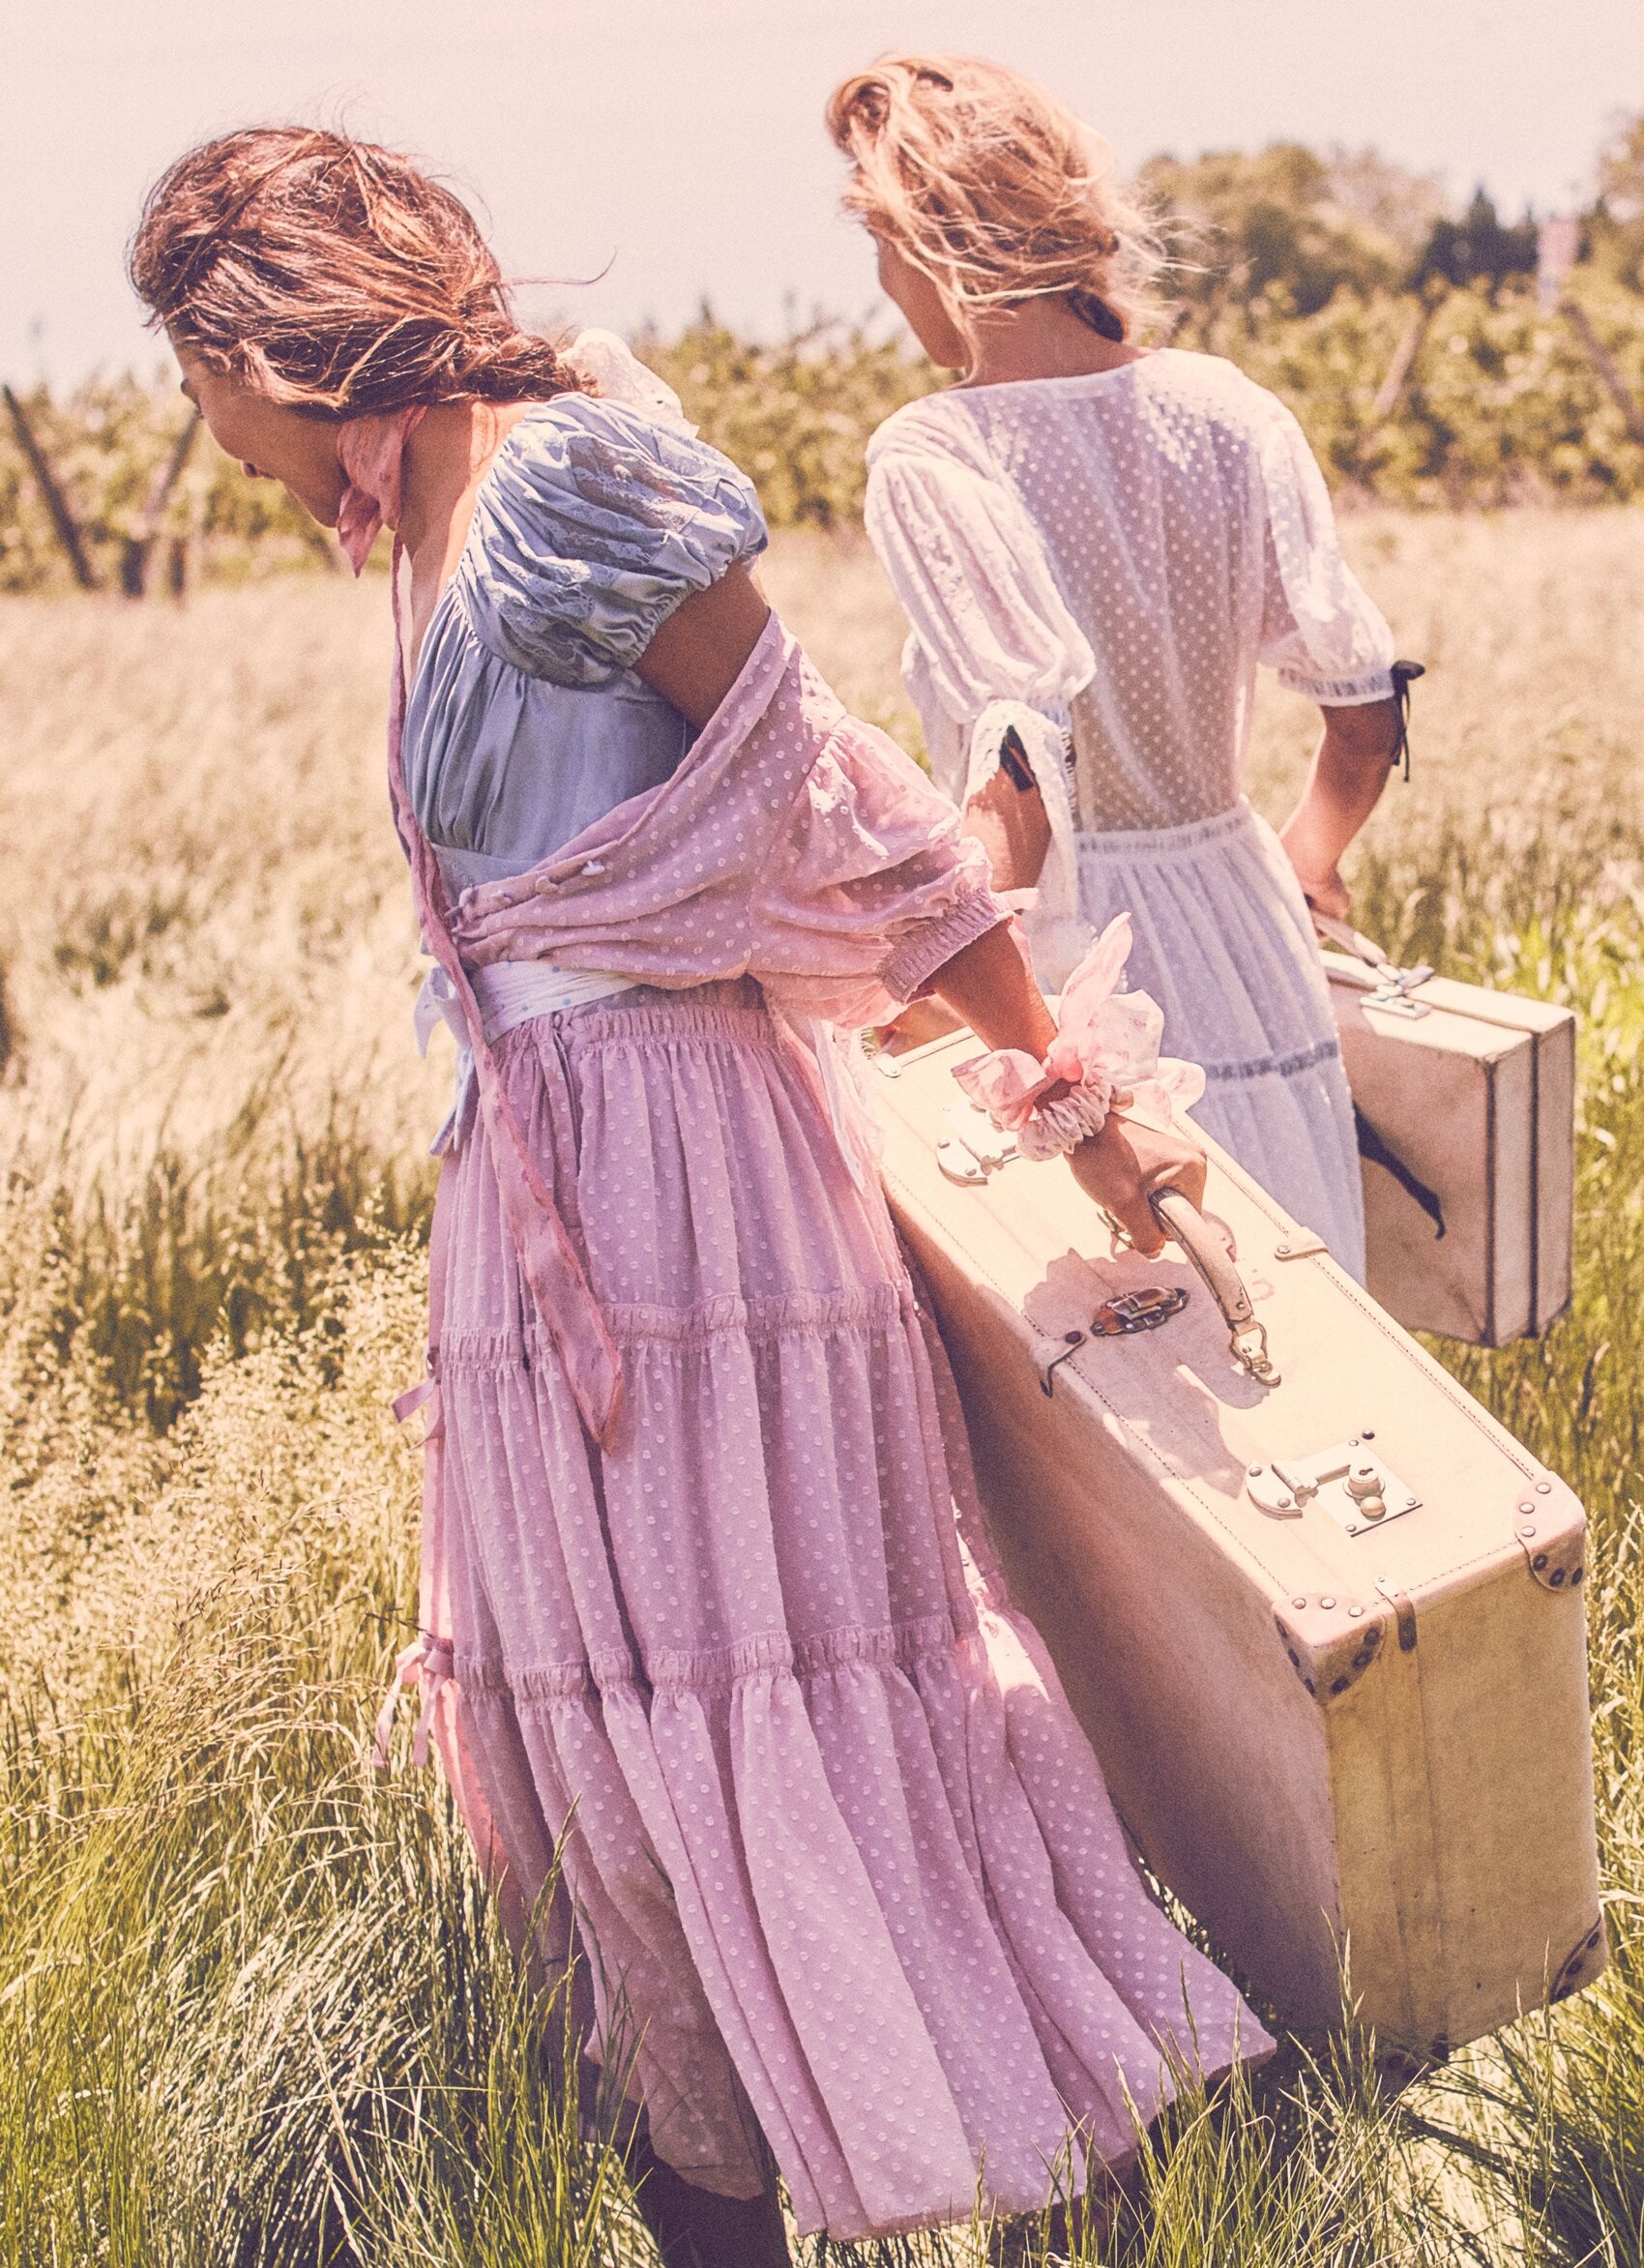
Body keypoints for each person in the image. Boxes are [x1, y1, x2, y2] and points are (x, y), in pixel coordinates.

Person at [130, 128, 1270, 2263]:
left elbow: (842, 800)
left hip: (691, 1200)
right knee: (613, 1746)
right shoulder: (429, 527)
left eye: (194, 382)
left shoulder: (566, 475)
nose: (206, 436)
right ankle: (726, 2197)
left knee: (800, 1681)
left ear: (257, 343)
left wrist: (1074, 1097)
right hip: (545, 1201)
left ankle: (1076, 2183)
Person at [833, 54, 1408, 1281]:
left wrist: (941, 984)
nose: (882, 286)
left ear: (929, 245)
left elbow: (1021, 768)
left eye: (878, 246)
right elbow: (1361, 711)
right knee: (1300, 1312)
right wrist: (1302, 862)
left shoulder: (934, 453)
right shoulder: (1227, 410)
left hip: (1079, 970)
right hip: (1250, 928)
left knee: (1131, 1340)